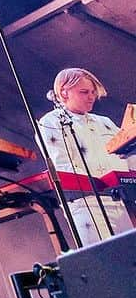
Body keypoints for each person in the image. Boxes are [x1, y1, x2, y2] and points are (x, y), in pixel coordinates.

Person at [39, 67, 134, 244]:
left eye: (92, 92)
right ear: (63, 92)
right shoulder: (49, 123)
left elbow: (128, 156)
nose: (91, 97)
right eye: (84, 92)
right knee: (105, 261)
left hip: (123, 201)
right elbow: (62, 164)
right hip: (87, 205)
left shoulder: (104, 122)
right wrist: (103, 182)